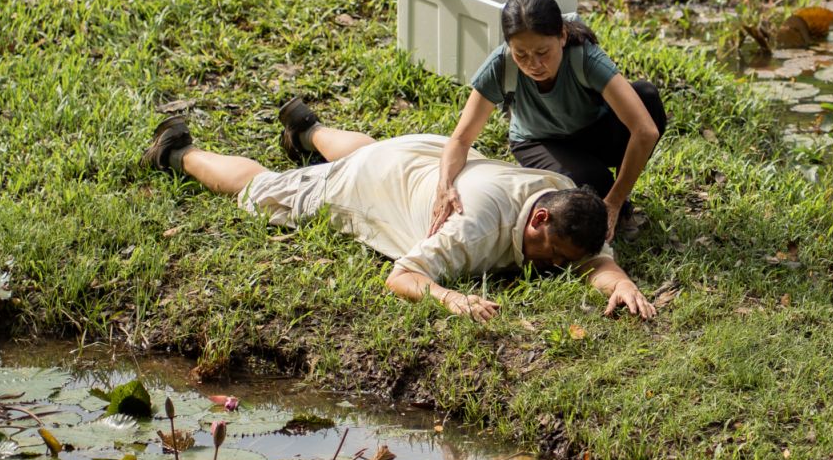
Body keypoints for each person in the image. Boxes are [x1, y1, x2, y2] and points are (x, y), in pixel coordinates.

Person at [141, 111, 656, 322]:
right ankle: (175, 151)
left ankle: (306, 129)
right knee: (267, 191)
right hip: (374, 185)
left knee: (372, 149)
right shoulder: (475, 227)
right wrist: (451, 298)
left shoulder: (565, 195)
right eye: (552, 257)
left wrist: (620, 283)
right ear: (539, 220)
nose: (551, 267)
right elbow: (402, 275)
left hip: (419, 158)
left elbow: (594, 260)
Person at [429, 0, 666, 244]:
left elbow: (645, 130)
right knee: (593, 183)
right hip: (539, 142)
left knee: (646, 97)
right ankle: (604, 191)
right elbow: (461, 139)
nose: (534, 64)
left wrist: (616, 200)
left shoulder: (584, 57)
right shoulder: (500, 66)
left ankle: (619, 200)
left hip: (592, 130)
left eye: (543, 52)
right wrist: (445, 184)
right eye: (522, 54)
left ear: (562, 36)